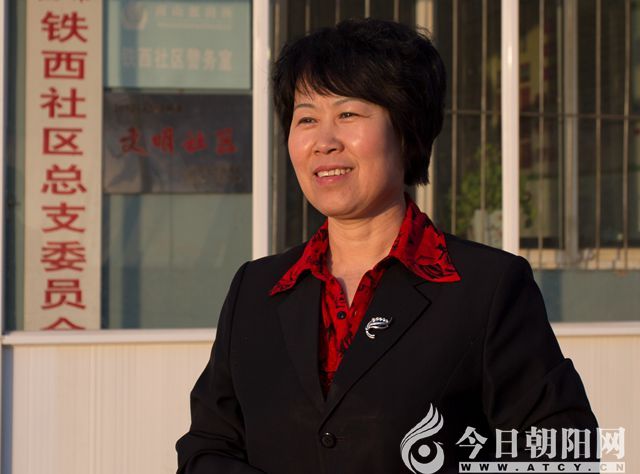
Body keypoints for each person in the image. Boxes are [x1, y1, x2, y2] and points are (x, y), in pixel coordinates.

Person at [176, 18, 597, 474]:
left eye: (348, 115)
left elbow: (563, 451)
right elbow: (208, 447)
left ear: (406, 130)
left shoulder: (486, 288)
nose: (324, 142)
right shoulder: (255, 290)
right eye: (307, 118)